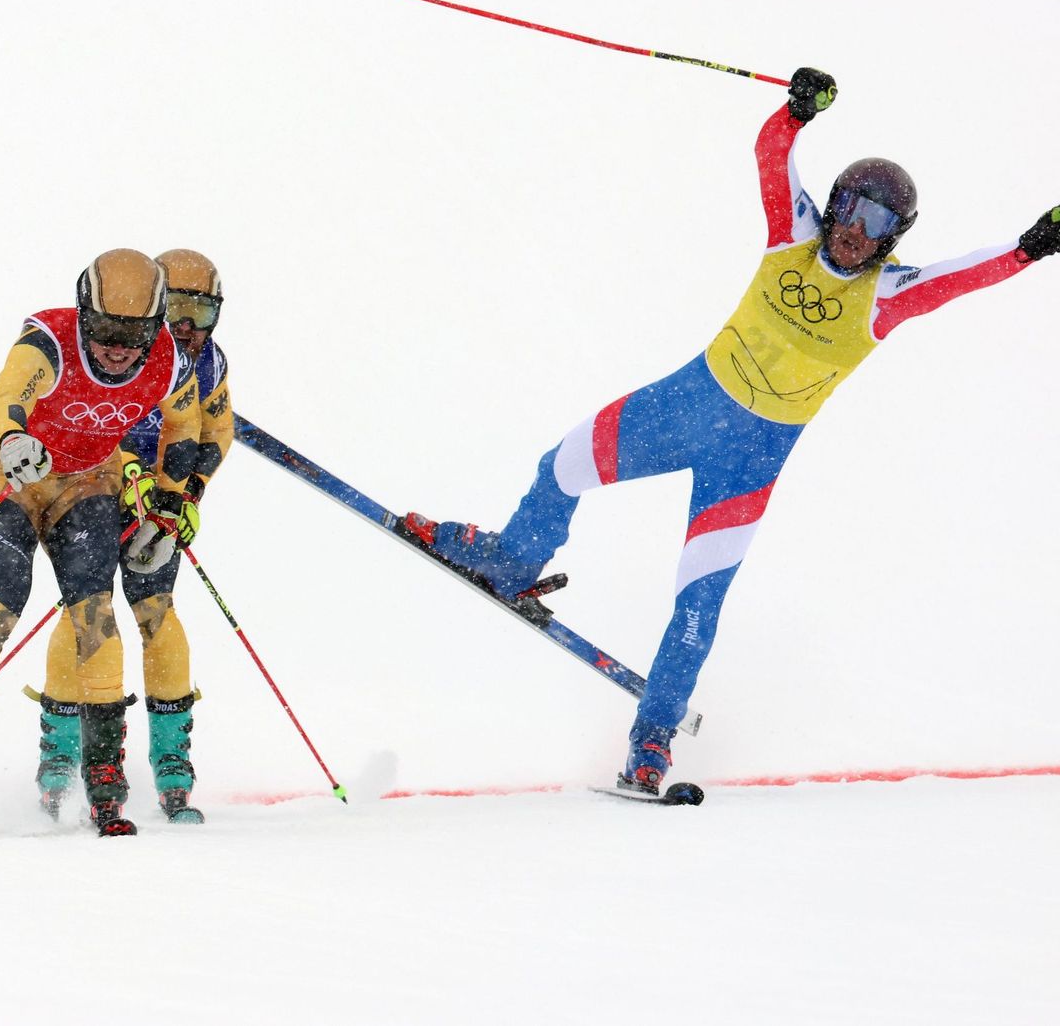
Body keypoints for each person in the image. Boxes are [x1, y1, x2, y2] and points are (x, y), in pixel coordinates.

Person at [408, 68, 1060, 795]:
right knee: (561, 465)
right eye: (847, 206)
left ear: (892, 238)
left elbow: (964, 275)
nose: (850, 229)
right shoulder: (794, 234)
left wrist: (1030, 247)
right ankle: (510, 559)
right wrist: (795, 113)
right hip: (685, 405)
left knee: (699, 597)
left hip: (749, 461)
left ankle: (651, 742)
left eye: (874, 222)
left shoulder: (888, 295)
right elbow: (772, 160)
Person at [0, 248, 201, 838]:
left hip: (88, 482)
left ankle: (104, 784)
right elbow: (6, 398)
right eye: (104, 332)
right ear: (82, 312)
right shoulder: (48, 339)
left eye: (134, 337)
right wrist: (14, 434)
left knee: (94, 616)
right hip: (12, 474)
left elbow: (185, 425)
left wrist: (169, 504)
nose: (118, 349)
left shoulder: (167, 361)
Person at [34, 248, 233, 825]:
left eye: (202, 312)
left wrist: (185, 496)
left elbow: (215, 431)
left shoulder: (209, 365)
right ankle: (60, 756)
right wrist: (126, 469)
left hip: (157, 504)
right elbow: (90, 419)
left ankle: (172, 764)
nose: (188, 327)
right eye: (175, 309)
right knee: (84, 615)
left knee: (156, 612)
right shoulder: (121, 354)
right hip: (88, 489)